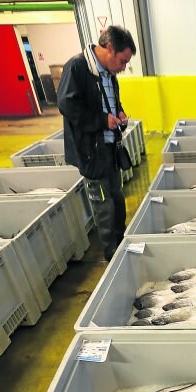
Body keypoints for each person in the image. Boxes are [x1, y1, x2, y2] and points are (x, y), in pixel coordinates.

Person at [57, 26, 136, 261]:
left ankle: (121, 246)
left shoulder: (109, 75)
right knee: (104, 208)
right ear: (110, 48)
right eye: (123, 61)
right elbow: (68, 105)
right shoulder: (78, 67)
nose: (123, 68)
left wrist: (119, 114)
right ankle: (112, 257)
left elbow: (112, 102)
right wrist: (102, 121)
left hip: (110, 149)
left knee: (117, 199)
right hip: (91, 152)